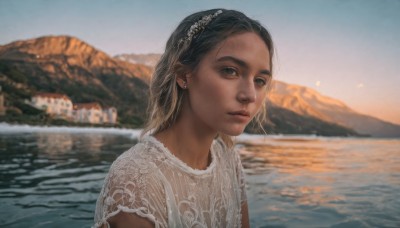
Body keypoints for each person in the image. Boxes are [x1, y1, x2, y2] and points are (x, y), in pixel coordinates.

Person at [94, 8, 274, 228]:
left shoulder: (229, 161)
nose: (250, 95)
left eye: (260, 80)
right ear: (182, 75)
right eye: (230, 71)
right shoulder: (135, 181)